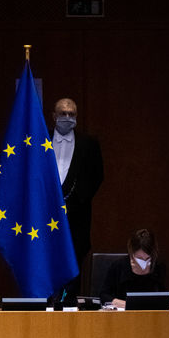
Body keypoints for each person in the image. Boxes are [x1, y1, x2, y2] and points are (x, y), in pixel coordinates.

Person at [51, 97, 104, 301]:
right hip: (45, 219)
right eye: (62, 113)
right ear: (54, 116)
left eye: (71, 114)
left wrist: (72, 202)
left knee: (72, 270)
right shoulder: (39, 141)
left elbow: (97, 176)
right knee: (46, 264)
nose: (67, 117)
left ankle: (68, 306)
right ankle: (45, 308)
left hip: (77, 220)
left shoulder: (89, 144)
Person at [100, 228, 166, 308]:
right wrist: (126, 304)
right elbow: (104, 296)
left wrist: (168, 301)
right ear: (132, 253)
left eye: (147, 258)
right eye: (139, 258)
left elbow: (163, 294)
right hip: (123, 312)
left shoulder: (158, 267)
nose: (144, 262)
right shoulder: (118, 266)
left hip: (151, 313)